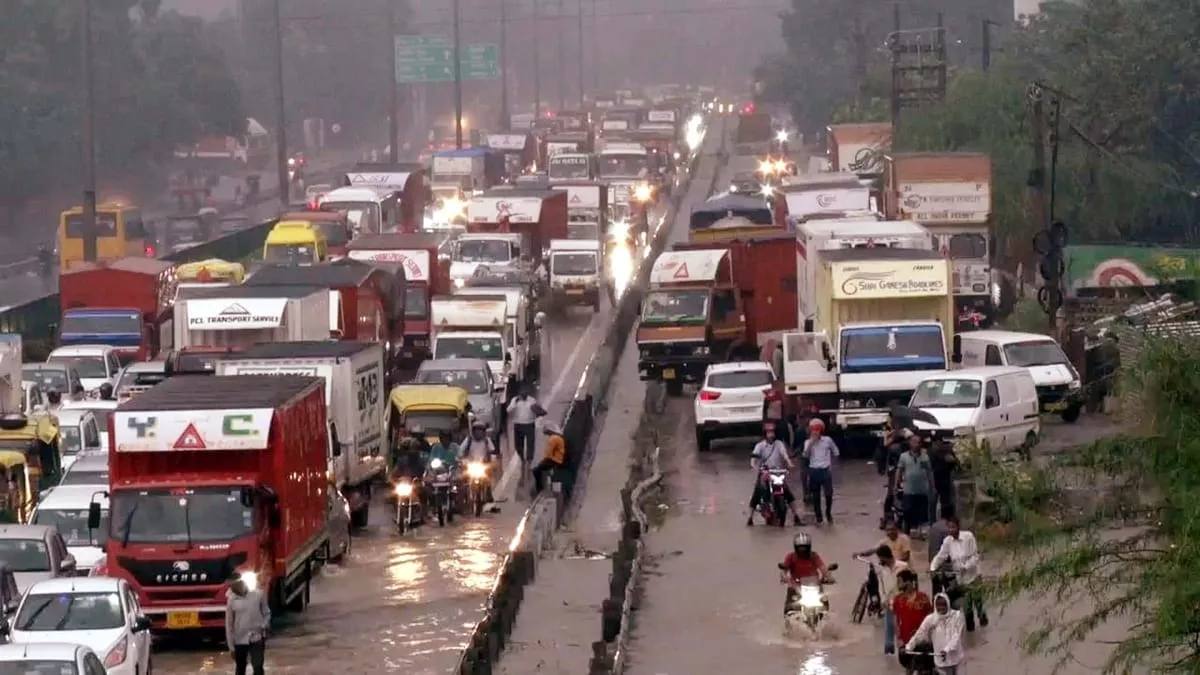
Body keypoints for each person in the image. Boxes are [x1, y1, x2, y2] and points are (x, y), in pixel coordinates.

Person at [929, 516, 988, 631]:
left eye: (953, 527)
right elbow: (941, 556)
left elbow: (975, 557)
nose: (951, 530)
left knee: (978, 603)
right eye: (949, 528)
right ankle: (971, 629)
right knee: (968, 606)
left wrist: (965, 567)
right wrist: (933, 567)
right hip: (961, 579)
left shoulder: (968, 537)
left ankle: (982, 618)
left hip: (973, 576)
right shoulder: (947, 541)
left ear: (958, 527)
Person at [747, 422, 804, 526]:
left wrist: (790, 463)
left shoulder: (779, 444)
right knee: (757, 493)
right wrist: (755, 467)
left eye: (772, 432)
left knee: (788, 493)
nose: (771, 434)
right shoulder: (760, 446)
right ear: (765, 434)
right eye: (769, 432)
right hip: (765, 473)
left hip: (777, 473)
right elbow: (753, 459)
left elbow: (784, 454)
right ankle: (750, 518)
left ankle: (796, 517)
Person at [905, 593, 966, 674]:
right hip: (940, 661)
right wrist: (909, 647)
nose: (941, 607)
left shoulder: (957, 616)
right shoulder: (931, 619)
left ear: (948, 604)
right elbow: (920, 633)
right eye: (938, 605)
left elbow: (956, 637)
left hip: (957, 659)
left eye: (944, 604)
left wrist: (946, 650)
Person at [225, 574, 270, 675]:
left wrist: (264, 626)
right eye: (232, 586)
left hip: (257, 637)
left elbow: (266, 613)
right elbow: (229, 625)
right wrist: (231, 647)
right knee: (240, 668)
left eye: (236, 585)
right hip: (240, 640)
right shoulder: (231, 601)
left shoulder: (258, 595)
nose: (234, 588)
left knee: (258, 667)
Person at [892, 569, 934, 674]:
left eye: (899, 581)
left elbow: (931, 619)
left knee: (925, 669)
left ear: (908, 582)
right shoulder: (898, 600)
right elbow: (895, 621)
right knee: (908, 667)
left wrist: (930, 638)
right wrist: (899, 639)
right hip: (906, 640)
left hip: (922, 640)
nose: (898, 584)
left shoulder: (923, 598)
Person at [894, 431, 935, 537]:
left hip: (922, 490)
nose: (916, 444)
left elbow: (930, 472)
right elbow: (899, 470)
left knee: (922, 511)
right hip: (909, 489)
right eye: (914, 442)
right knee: (907, 510)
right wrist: (896, 484)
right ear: (910, 443)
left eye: (918, 442)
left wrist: (932, 487)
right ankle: (908, 530)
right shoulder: (904, 456)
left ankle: (920, 530)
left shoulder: (925, 457)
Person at [802, 418, 839, 524]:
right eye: (813, 430)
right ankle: (819, 517)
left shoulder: (827, 440)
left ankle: (828, 512)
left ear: (821, 430)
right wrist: (810, 444)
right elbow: (805, 455)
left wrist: (832, 465)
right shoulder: (807, 442)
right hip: (813, 470)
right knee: (815, 495)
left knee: (828, 494)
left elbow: (836, 452)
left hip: (825, 470)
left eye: (817, 429)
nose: (815, 432)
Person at [876, 544, 909, 656]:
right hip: (889, 603)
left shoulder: (903, 566)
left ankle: (904, 651)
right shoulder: (881, 570)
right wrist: (883, 600)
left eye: (880, 558)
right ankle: (889, 654)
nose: (879, 560)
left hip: (902, 602)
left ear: (884, 557)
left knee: (903, 628)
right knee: (889, 628)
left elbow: (909, 584)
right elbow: (881, 586)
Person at [460, 420, 499, 505]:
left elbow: (492, 451)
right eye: (477, 431)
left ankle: (488, 493)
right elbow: (461, 451)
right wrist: (462, 459)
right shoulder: (468, 440)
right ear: (473, 432)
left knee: (488, 478)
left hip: (483, 465)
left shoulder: (487, 441)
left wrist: (492, 462)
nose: (479, 433)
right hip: (470, 464)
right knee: (463, 479)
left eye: (481, 431)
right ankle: (463, 496)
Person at [507, 387, 546, 468]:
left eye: (525, 393)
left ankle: (529, 461)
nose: (524, 395)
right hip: (518, 425)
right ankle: (522, 458)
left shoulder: (532, 400)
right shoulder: (514, 400)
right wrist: (514, 403)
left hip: (529, 424)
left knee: (530, 444)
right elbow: (509, 410)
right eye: (522, 394)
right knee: (518, 445)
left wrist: (538, 413)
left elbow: (539, 409)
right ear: (520, 394)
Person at [531, 421, 566, 497]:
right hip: (558, 459)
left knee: (536, 470)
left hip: (554, 460)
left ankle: (539, 487)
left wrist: (543, 462)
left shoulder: (553, 439)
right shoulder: (559, 437)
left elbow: (548, 454)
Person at [929, 441, 959, 520]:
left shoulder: (947, 454)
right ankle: (937, 519)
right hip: (938, 479)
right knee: (936, 502)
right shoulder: (934, 454)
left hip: (945, 480)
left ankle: (945, 519)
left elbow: (954, 464)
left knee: (944, 502)